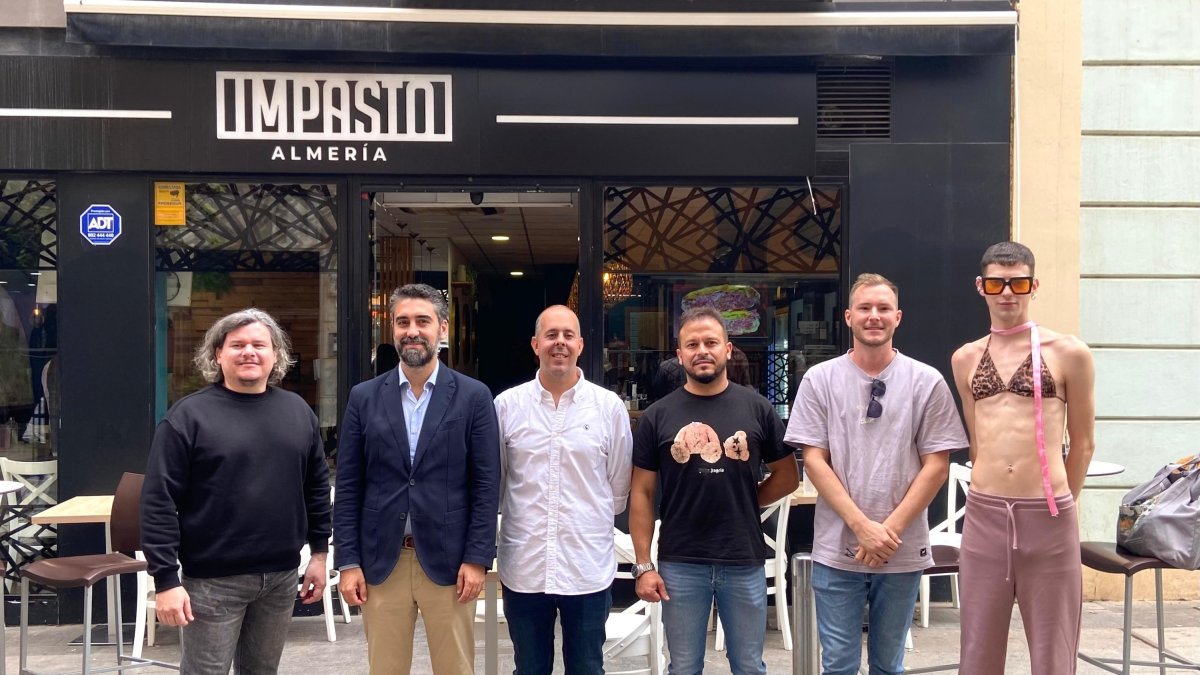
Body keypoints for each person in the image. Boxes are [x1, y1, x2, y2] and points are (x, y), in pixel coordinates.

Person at [784, 273, 967, 675]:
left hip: (902, 548)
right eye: (865, 308)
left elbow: (937, 462)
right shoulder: (820, 380)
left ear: (898, 317)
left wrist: (887, 532)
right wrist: (862, 527)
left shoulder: (926, 381)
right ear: (848, 317)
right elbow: (814, 460)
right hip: (836, 546)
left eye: (883, 308)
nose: (874, 316)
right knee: (838, 665)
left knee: (889, 664)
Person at [141, 308, 332, 674]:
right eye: (237, 344)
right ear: (217, 354)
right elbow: (158, 501)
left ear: (275, 354)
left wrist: (320, 555)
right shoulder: (188, 417)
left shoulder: (297, 412)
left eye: (259, 344)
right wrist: (165, 579)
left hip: (280, 577)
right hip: (212, 582)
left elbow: (316, 488)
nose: (249, 352)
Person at [335, 283, 501, 675]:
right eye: (403, 321)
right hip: (381, 564)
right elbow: (349, 487)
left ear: (442, 329)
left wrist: (477, 558)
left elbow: (485, 485)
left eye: (422, 321)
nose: (412, 330)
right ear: (391, 330)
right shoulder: (364, 397)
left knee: (455, 669)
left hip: (450, 564)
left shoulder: (473, 397)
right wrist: (348, 562)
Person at [629, 306, 799, 675]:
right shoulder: (657, 416)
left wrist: (746, 501)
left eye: (711, 342)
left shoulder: (757, 408)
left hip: (742, 558)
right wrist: (643, 566)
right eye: (692, 344)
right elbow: (640, 493)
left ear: (728, 349)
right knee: (684, 667)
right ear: (679, 355)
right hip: (680, 561)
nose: (702, 350)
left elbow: (788, 476)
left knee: (749, 666)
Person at [950, 242, 1095, 675]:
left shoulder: (1069, 352)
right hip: (985, 513)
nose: (1007, 293)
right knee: (977, 649)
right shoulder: (965, 358)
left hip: (1047, 515)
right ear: (981, 287)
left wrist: (1060, 504)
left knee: (1053, 651)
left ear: (1034, 285)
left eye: (1018, 283)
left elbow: (1083, 442)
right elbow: (977, 440)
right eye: (997, 283)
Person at [493, 304, 633, 675]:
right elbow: (499, 482)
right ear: (535, 344)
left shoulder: (609, 408)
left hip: (586, 566)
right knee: (529, 668)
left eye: (568, 335)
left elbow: (618, 487)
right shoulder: (506, 407)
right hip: (525, 566)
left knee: (588, 667)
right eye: (551, 335)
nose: (560, 343)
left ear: (581, 345)